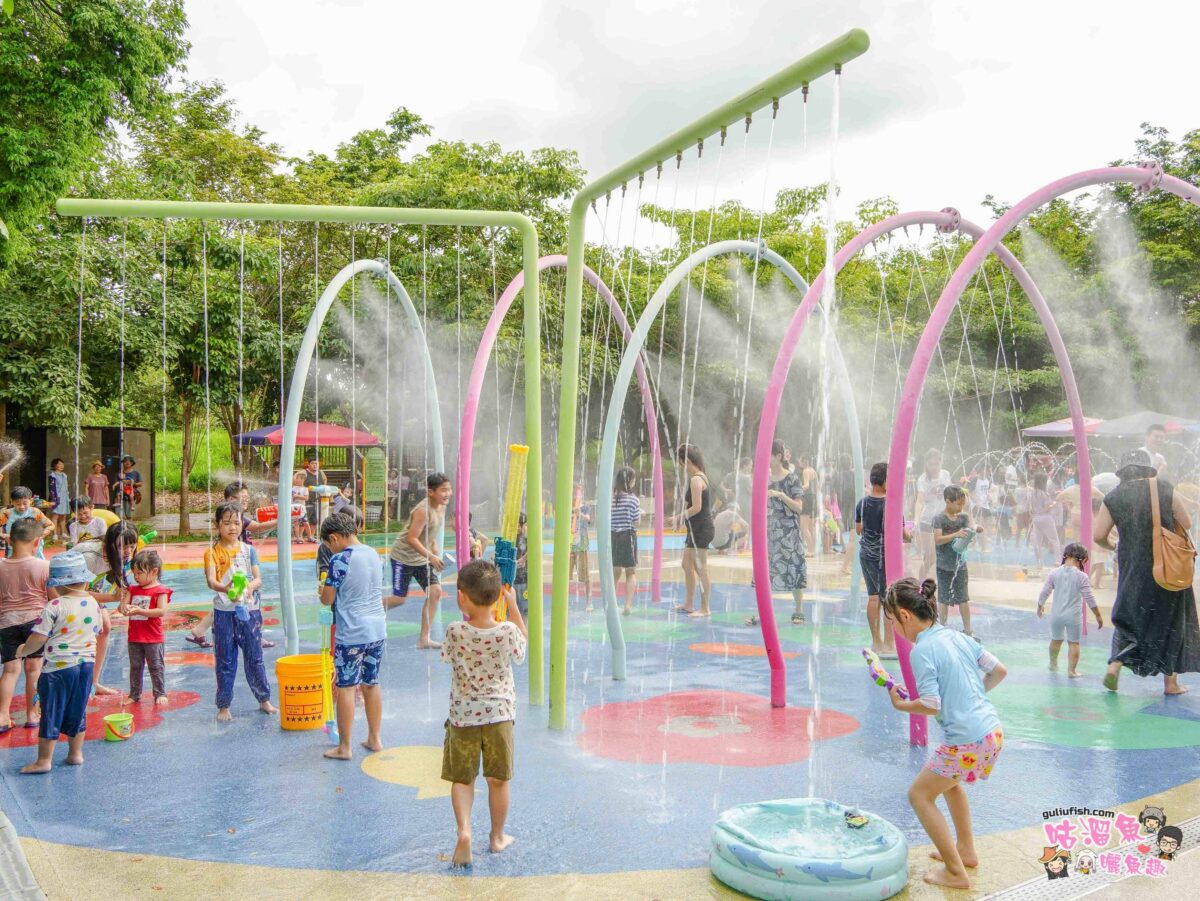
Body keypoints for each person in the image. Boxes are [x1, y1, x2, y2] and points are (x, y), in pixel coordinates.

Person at [883, 577, 1008, 890]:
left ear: (905, 615)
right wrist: (970, 698)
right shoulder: (956, 636)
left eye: (892, 621)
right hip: (992, 732)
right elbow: (999, 671)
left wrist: (902, 706)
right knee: (951, 785)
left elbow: (930, 704)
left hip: (967, 742)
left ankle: (955, 872)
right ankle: (965, 850)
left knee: (919, 795)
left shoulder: (921, 650)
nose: (893, 628)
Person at [440, 560, 526, 868]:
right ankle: (497, 837)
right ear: (498, 597)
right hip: (499, 715)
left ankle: (464, 832)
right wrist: (513, 608)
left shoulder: (454, 631)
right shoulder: (506, 632)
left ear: (461, 597)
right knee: (498, 781)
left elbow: (448, 659)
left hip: (463, 716)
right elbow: (522, 646)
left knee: (462, 779)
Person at [1095, 449, 1200, 695]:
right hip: (1166, 567)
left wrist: (1114, 545)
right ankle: (1170, 684)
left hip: (1132, 568)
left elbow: (1098, 535)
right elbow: (1187, 523)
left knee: (1127, 617)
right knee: (1172, 620)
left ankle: (1115, 665)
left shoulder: (1113, 496)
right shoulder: (1163, 488)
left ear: (1122, 471)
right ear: (1148, 468)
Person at [13, 550, 102, 774]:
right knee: (78, 709)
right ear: (83, 579)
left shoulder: (55, 606)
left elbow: (39, 638)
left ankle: (44, 761)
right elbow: (98, 630)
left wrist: (23, 650)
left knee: (51, 710)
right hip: (86, 666)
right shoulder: (93, 603)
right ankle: (75, 754)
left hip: (59, 669)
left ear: (59, 584)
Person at [319, 512, 386, 761]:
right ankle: (375, 738)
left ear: (334, 538)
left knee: (346, 687)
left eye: (329, 544)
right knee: (371, 682)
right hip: (377, 629)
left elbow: (328, 599)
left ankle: (344, 747)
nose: (330, 548)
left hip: (352, 632)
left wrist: (322, 590)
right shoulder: (374, 554)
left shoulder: (340, 560)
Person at [203, 502, 276, 721]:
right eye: (227, 523)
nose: (232, 528)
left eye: (236, 523)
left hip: (250, 611)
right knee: (225, 659)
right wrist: (226, 589)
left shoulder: (249, 550)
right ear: (217, 525)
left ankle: (264, 699)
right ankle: (224, 705)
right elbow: (211, 580)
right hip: (224, 612)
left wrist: (249, 588)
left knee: (255, 656)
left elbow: (258, 578)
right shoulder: (212, 553)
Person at [389, 473, 452, 650]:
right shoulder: (423, 511)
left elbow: (429, 531)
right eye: (443, 490)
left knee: (435, 592)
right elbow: (412, 538)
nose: (447, 494)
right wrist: (431, 556)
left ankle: (424, 638)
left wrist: (433, 546)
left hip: (420, 558)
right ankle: (370, 607)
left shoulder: (441, 507)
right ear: (431, 492)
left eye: (449, 489)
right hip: (403, 557)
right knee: (398, 599)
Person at [856, 463, 911, 658]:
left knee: (873, 598)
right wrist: (909, 536)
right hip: (885, 557)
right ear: (885, 481)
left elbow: (858, 529)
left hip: (866, 555)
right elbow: (903, 534)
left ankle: (876, 642)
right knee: (888, 599)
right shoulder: (892, 505)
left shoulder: (862, 503)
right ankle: (889, 644)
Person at [0, 519, 50, 732]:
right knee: (34, 669)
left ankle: (2, 716)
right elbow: (51, 598)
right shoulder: (43, 566)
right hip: (35, 623)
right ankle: (32, 714)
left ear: (9, 540)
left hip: (6, 622)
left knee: (10, 670)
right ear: (37, 542)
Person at [751, 439, 807, 626]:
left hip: (789, 533)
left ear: (779, 456)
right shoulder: (763, 478)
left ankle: (798, 610)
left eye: (768, 455)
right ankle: (763, 611)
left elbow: (799, 507)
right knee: (765, 573)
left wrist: (781, 496)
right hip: (768, 533)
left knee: (794, 569)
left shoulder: (792, 479)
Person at [86, 521, 139, 696]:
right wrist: (112, 598)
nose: (128, 551)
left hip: (91, 592)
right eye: (123, 547)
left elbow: (122, 583)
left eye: (132, 546)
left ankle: (93, 683)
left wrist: (122, 601)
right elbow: (78, 593)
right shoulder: (90, 557)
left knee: (105, 627)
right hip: (63, 595)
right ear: (111, 544)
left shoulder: (123, 556)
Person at [1037, 543, 1104, 678]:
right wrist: (1098, 615)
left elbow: (1045, 591)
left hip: (1056, 615)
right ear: (1081, 559)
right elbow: (1089, 597)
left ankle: (1053, 664)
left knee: (1056, 640)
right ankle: (1071, 671)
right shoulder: (1082, 576)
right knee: (1074, 643)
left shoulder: (1054, 573)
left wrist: (1040, 606)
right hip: (1073, 616)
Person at [119, 549, 172, 706]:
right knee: (135, 667)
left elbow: (161, 611)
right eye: (134, 573)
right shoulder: (133, 589)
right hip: (134, 637)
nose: (136, 577)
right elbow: (122, 608)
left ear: (154, 571)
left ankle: (160, 692)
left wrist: (140, 610)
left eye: (140, 573)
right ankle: (134, 694)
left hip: (153, 637)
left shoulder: (160, 590)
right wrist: (125, 607)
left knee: (156, 666)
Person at [932, 486, 982, 636]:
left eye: (963, 504)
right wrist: (955, 534)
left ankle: (968, 630)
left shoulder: (963, 517)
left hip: (960, 565)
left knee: (963, 598)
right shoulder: (939, 518)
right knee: (943, 598)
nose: (961, 507)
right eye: (958, 504)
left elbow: (969, 529)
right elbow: (938, 540)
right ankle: (942, 628)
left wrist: (976, 529)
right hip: (943, 565)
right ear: (948, 501)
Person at [673, 444, 713, 617]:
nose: (680, 466)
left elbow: (697, 507)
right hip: (695, 529)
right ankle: (689, 603)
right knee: (686, 564)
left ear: (686, 461)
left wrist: (679, 517)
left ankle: (705, 608)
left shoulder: (696, 479)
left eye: (680, 461)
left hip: (701, 530)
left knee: (700, 568)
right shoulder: (699, 477)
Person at [915, 450, 952, 580]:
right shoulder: (923, 479)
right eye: (931, 464)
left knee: (940, 556)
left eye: (937, 463)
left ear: (941, 462)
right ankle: (920, 584)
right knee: (931, 556)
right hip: (927, 522)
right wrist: (916, 520)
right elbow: (919, 500)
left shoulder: (946, 475)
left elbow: (950, 495)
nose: (934, 467)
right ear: (926, 464)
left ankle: (930, 585)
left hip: (943, 522)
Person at [611, 467, 642, 616]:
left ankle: (611, 604)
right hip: (628, 537)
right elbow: (636, 523)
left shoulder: (610, 499)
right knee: (630, 572)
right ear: (629, 481)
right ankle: (627, 605)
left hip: (614, 537)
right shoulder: (634, 500)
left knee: (615, 572)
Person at [0, 487, 54, 557]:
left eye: (25, 504)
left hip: (35, 550)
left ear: (30, 501)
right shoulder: (7, 514)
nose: (22, 507)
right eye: (18, 504)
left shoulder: (35, 512)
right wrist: (3, 535)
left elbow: (51, 525)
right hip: (14, 550)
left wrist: (43, 533)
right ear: (12, 502)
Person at [1029, 473, 1060, 569]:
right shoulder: (1044, 494)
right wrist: (1055, 503)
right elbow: (1047, 508)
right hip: (1046, 518)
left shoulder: (1031, 493)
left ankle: (1039, 562)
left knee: (1037, 542)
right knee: (1054, 540)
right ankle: (1058, 561)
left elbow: (1031, 509)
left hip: (1036, 519)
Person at [569, 488, 592, 609]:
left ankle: (589, 601)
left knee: (585, 574)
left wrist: (579, 513)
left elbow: (588, 518)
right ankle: (562, 602)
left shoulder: (585, 507)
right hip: (568, 546)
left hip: (582, 546)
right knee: (564, 574)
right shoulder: (566, 506)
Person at [796, 454, 819, 556]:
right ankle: (813, 549)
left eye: (800, 460)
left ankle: (810, 550)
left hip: (807, 498)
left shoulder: (805, 471)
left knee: (803, 526)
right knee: (811, 527)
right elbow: (817, 487)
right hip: (814, 498)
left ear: (804, 461)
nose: (798, 462)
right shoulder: (813, 471)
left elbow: (806, 486)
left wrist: (796, 488)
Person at [302, 456, 327, 534]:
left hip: (318, 500)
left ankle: (311, 536)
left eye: (316, 463)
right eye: (313, 463)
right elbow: (297, 483)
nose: (315, 465)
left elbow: (325, 482)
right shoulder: (304, 472)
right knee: (304, 520)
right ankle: (300, 537)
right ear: (308, 464)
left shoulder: (321, 473)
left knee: (315, 520)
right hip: (307, 500)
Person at [47, 458, 69, 542]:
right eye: (60, 464)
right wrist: (53, 500)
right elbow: (51, 489)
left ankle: (63, 533)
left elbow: (66, 487)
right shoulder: (52, 475)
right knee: (55, 516)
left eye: (62, 464)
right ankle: (54, 534)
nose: (61, 466)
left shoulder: (64, 475)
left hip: (64, 497)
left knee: (63, 516)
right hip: (56, 497)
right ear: (55, 465)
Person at [114, 455, 143, 519]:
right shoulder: (119, 473)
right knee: (119, 516)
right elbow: (116, 483)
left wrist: (132, 483)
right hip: (120, 496)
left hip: (130, 497)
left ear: (132, 463)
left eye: (129, 461)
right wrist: (122, 482)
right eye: (125, 461)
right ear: (123, 463)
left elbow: (141, 484)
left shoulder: (136, 473)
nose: (127, 463)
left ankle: (129, 528)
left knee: (129, 516)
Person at [291, 471, 315, 543]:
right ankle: (298, 538)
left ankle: (310, 537)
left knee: (306, 522)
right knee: (296, 523)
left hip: (302, 508)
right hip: (294, 508)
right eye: (296, 478)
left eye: (297, 478)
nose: (295, 480)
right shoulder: (292, 488)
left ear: (302, 480)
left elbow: (306, 498)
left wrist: (297, 496)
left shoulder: (305, 489)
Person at [513, 513, 529, 618]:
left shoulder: (527, 538)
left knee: (524, 610)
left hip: (524, 578)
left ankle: (523, 632)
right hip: (513, 579)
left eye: (520, 526)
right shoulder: (513, 537)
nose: (518, 528)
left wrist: (523, 559)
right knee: (513, 609)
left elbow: (534, 548)